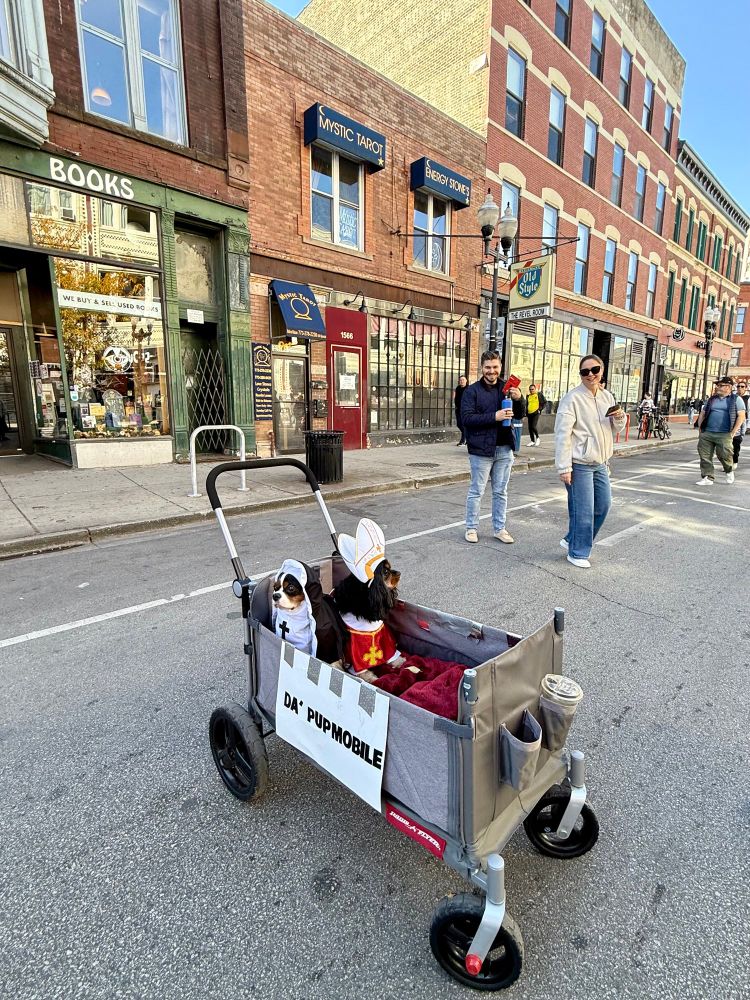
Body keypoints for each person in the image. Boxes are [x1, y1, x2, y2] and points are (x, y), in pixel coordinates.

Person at [554, 355, 626, 569]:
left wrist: (619, 418)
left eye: (594, 369)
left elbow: (615, 429)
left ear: (601, 370)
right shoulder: (572, 399)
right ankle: (577, 551)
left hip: (601, 462)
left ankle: (572, 538)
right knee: (583, 509)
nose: (590, 375)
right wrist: (564, 467)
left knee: (603, 505)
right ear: (580, 375)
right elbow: (562, 434)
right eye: (585, 372)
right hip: (580, 463)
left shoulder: (607, 397)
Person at [461, 350, 524, 545]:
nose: (492, 371)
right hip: (480, 450)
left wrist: (519, 398)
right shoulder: (472, 391)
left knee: (500, 492)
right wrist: (494, 417)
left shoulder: (507, 388)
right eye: (488, 367)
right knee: (476, 491)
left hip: (505, 448)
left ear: (500, 367)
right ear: (482, 368)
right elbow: (467, 419)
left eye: (495, 367)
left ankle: (500, 528)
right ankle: (471, 528)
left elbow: (520, 415)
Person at [694, 377, 745, 486]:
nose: (718, 387)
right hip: (707, 432)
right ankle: (708, 477)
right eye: (718, 385)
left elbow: (741, 416)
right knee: (705, 456)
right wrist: (700, 429)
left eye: (721, 385)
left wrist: (733, 432)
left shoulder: (736, 399)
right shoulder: (712, 399)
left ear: (729, 387)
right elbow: (703, 413)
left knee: (724, 455)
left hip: (725, 433)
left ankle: (729, 470)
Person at [731, 381, 749, 470]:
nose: (740, 388)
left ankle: (734, 462)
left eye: (742, 386)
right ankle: (728, 463)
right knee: (727, 447)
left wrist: (745, 429)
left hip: (742, 424)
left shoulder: (748, 399)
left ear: (746, 388)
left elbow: (748, 414)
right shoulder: (733, 397)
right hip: (730, 425)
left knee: (736, 446)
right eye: (738, 386)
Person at [454, 375, 468, 445]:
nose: (461, 381)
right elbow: (455, 397)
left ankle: (463, 440)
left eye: (463, 380)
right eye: (460, 380)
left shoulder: (469, 389)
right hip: (458, 409)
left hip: (465, 410)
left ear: (466, 381)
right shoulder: (458, 388)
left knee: (463, 425)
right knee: (459, 424)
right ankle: (467, 437)